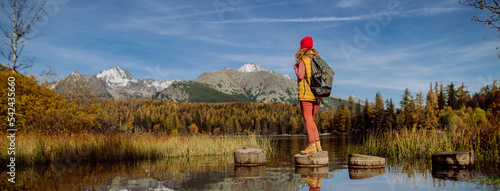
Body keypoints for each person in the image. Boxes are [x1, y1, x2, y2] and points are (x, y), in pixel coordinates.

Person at [294, 36, 322, 155]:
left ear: (302, 47)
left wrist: (296, 67)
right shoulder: (317, 59)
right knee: (311, 120)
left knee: (308, 120)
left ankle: (311, 145)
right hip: (317, 95)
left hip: (306, 94)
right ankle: (317, 144)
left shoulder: (303, 59)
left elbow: (300, 75)